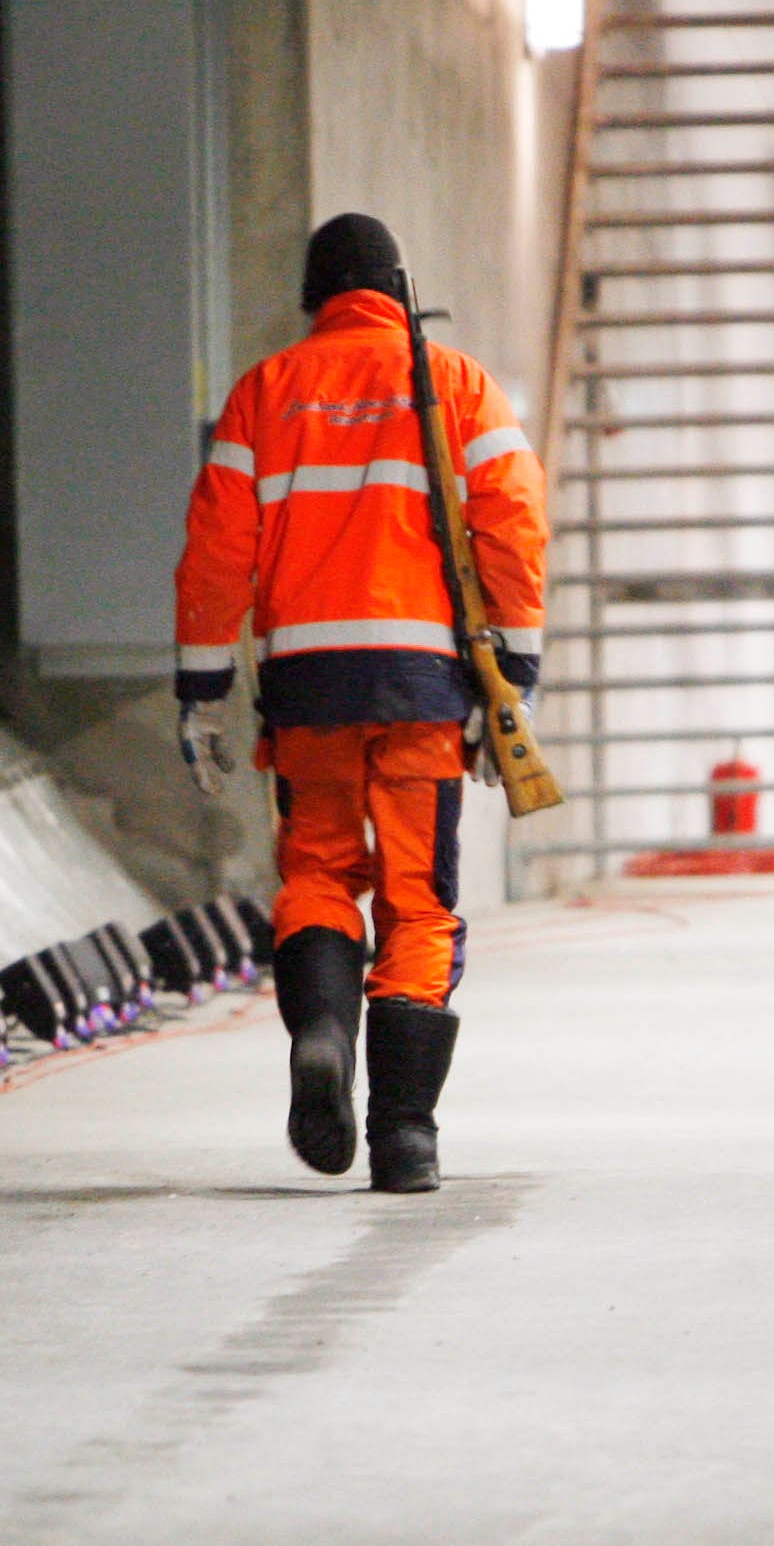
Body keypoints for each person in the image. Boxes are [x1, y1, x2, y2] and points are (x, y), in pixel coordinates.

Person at [172, 214, 547, 1193]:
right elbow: (511, 520)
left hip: (306, 688)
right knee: (417, 901)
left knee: (318, 877)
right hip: (422, 684)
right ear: (398, 288)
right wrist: (517, 665)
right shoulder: (455, 384)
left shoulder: (264, 392)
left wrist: (203, 686)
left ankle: (324, 1034)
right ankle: (405, 1135)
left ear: (315, 295)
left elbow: (216, 548)